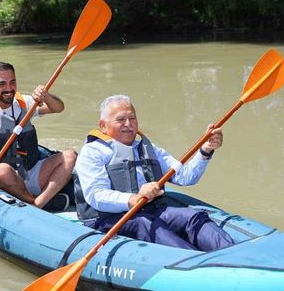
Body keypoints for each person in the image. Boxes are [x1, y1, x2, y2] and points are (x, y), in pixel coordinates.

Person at [73, 94, 234, 251]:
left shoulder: (148, 148)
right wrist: (133, 199)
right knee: (146, 225)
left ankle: (232, 253)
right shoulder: (93, 152)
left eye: (132, 118)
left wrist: (205, 150)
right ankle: (197, 264)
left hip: (148, 210)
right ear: (103, 126)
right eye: (121, 119)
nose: (128, 124)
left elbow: (185, 177)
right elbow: (96, 195)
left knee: (194, 217)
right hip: (108, 219)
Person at [0, 61, 76, 212]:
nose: (8, 88)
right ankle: (37, 202)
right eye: (1, 84)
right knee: (2, 170)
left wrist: (46, 96)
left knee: (70, 156)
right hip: (3, 176)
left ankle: (38, 203)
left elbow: (58, 108)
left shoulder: (24, 103)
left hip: (28, 169)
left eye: (12, 82)